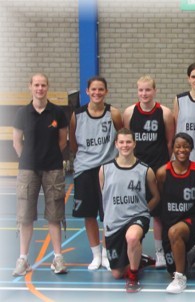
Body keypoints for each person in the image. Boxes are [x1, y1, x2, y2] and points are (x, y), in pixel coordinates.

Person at [12, 73, 69, 276]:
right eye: (36, 85)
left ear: (47, 87)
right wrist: (27, 158)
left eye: (43, 85)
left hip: (53, 168)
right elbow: (17, 141)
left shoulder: (57, 113)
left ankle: (58, 258)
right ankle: (23, 259)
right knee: (25, 214)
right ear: (30, 87)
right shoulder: (22, 113)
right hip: (27, 169)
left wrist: (49, 156)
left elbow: (62, 141)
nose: (40, 88)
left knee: (55, 214)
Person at [70, 76, 123, 271]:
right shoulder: (77, 115)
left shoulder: (114, 114)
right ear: (87, 91)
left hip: (108, 170)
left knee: (108, 214)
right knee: (89, 214)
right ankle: (96, 254)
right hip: (85, 170)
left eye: (101, 89)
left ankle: (108, 253)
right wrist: (86, 159)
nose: (97, 93)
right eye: (93, 89)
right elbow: (74, 144)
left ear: (106, 92)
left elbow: (123, 137)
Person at [99, 128, 160, 293]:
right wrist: (106, 223)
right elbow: (105, 198)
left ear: (134, 144)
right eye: (121, 142)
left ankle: (133, 277)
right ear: (116, 145)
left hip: (137, 217)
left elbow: (156, 196)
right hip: (114, 222)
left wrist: (144, 211)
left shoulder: (145, 170)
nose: (125, 145)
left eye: (128, 142)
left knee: (132, 237)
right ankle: (140, 260)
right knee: (117, 274)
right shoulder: (105, 169)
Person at [123, 75, 175, 268]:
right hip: (136, 170)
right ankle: (136, 249)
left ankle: (160, 253)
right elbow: (127, 141)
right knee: (134, 211)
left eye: (148, 90)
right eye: (141, 90)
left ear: (155, 91)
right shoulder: (129, 113)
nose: (144, 94)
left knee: (158, 214)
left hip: (158, 168)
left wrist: (164, 166)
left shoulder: (165, 113)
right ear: (137, 91)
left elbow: (169, 142)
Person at [156, 132, 195, 294]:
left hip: (193, 220)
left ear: (191, 148)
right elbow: (160, 197)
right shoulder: (162, 172)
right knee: (171, 268)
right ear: (172, 148)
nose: (182, 150)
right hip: (170, 221)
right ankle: (194, 253)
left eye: (186, 146)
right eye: (178, 146)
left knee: (176, 232)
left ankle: (180, 279)